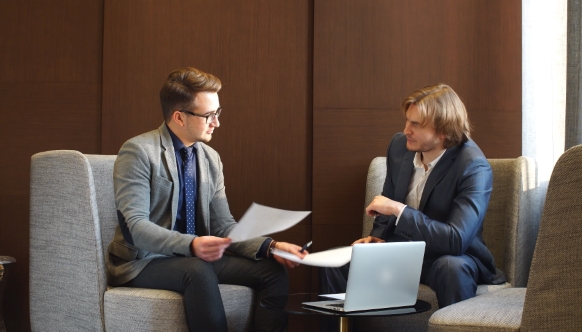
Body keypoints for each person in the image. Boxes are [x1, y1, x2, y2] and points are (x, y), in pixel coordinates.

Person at [106, 67, 307, 332]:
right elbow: (135, 227)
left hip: (193, 256)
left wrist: (272, 247)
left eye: (218, 113)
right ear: (179, 117)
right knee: (197, 270)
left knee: (271, 271)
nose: (217, 122)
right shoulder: (139, 151)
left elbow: (224, 225)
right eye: (209, 115)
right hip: (144, 260)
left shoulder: (210, 159)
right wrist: (193, 244)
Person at [319, 83, 505, 309]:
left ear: (443, 130)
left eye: (415, 124)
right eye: (407, 120)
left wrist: (399, 211)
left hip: (446, 258)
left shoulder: (473, 166)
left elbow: (455, 240)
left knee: (451, 268)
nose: (406, 130)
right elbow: (388, 200)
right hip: (402, 252)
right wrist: (378, 237)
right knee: (337, 260)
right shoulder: (400, 146)